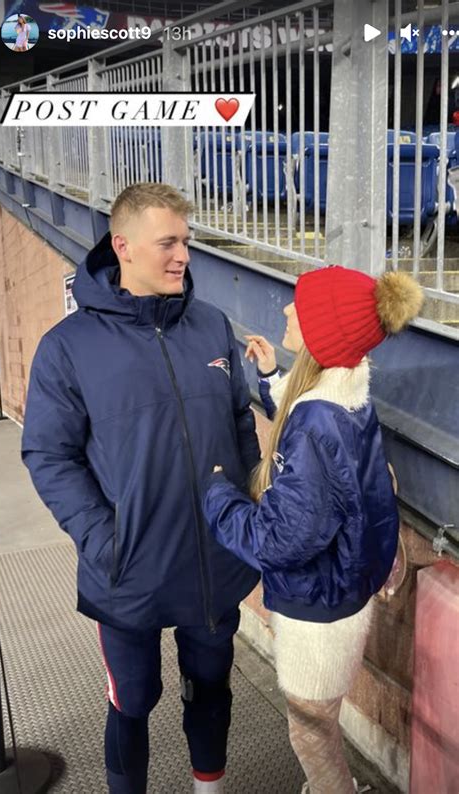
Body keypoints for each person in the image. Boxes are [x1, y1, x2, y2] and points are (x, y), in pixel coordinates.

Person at [21, 182, 260, 794]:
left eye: (187, 241)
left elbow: (238, 420)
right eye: (168, 243)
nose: (183, 255)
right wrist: (106, 540)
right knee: (133, 700)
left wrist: (247, 500)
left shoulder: (211, 327)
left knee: (211, 688)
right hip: (126, 570)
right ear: (122, 247)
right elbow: (50, 454)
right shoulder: (66, 348)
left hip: (215, 561)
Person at [202, 266, 423, 794]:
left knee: (308, 727)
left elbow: (279, 540)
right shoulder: (346, 392)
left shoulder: (321, 421)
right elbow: (318, 441)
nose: (284, 310)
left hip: (317, 610)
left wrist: (215, 495)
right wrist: (273, 377)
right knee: (316, 719)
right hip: (340, 593)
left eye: (297, 306)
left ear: (323, 331)